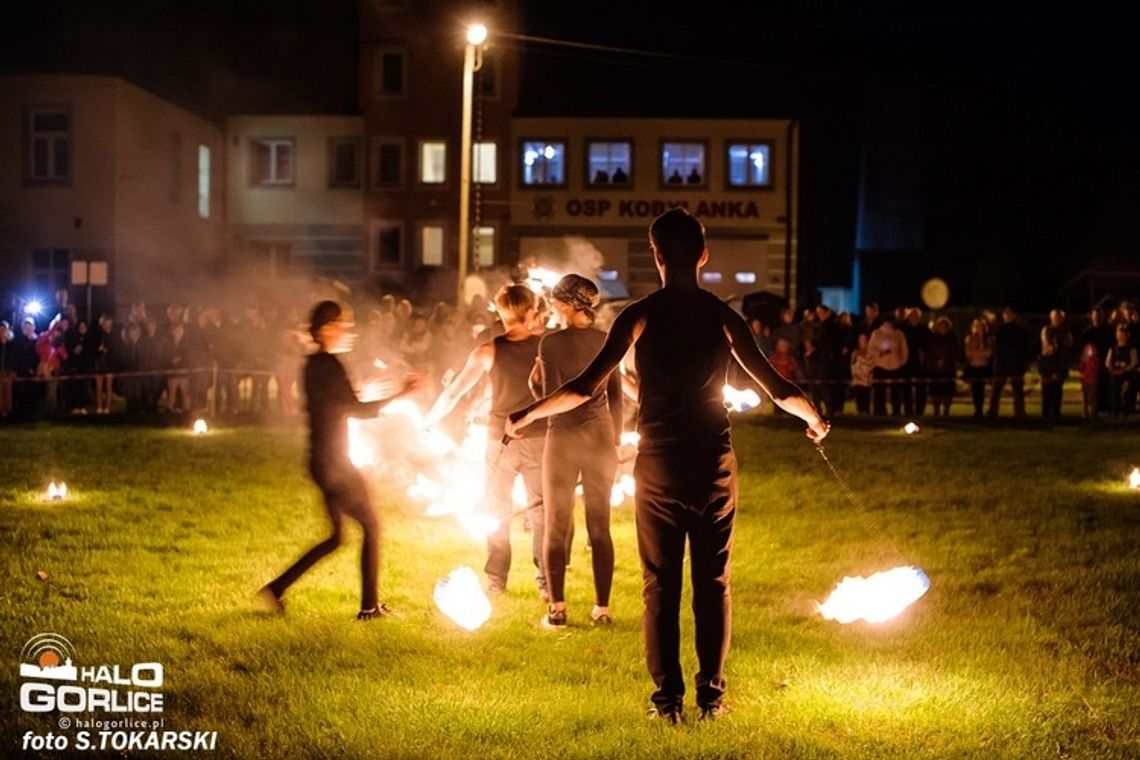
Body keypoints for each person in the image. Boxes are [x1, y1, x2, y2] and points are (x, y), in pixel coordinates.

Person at [505, 209, 828, 723]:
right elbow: (777, 386)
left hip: (657, 464)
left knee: (661, 584)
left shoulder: (639, 314)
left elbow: (586, 386)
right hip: (713, 463)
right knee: (713, 582)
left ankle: (668, 703)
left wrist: (524, 414)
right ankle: (712, 699)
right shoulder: (723, 316)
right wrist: (814, 418)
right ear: (703, 255)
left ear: (656, 255)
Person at [261, 301, 422, 620]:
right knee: (372, 526)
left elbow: (340, 403)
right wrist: (400, 395)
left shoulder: (313, 365)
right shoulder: (328, 365)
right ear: (326, 329)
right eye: (343, 324)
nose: (349, 330)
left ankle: (275, 589)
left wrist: (371, 393)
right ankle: (369, 608)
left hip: (321, 460)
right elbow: (356, 409)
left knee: (336, 537)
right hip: (334, 463)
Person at [425, 285, 548, 599]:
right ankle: (546, 581)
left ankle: (496, 580)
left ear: (501, 313)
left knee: (497, 509)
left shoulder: (488, 351)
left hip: (498, 441)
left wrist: (431, 418)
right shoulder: (545, 347)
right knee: (540, 511)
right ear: (532, 311)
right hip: (537, 436)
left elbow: (455, 390)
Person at [530, 274, 623, 630]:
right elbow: (615, 393)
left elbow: (553, 399)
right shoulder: (607, 340)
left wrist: (533, 385)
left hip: (563, 438)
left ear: (569, 304)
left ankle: (557, 607)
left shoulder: (551, 344)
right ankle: (602, 608)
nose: (553, 305)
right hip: (601, 439)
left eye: (556, 300)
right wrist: (615, 439)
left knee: (556, 525)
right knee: (600, 527)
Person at [988, 307, 1030, 418]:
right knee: (996, 389)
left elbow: (1024, 347)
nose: (1007, 316)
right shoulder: (999, 329)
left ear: (1014, 316)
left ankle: (1020, 412)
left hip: (1015, 362)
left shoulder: (1019, 331)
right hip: (1002, 362)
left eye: (1009, 314)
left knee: (1017, 390)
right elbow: (994, 344)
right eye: (1005, 314)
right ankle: (992, 412)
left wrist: (1023, 363)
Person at [1105, 325, 1138, 418]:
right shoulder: (1113, 348)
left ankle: (1126, 411)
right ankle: (1115, 411)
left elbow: (1134, 362)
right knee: (1115, 393)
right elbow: (1108, 362)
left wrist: (1125, 370)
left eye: (1123, 334)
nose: (1121, 336)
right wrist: (1112, 369)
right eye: (1119, 334)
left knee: (1126, 393)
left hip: (1126, 375)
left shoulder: (1131, 348)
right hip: (1115, 375)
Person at [963, 317, 993, 419]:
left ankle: (980, 409)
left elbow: (989, 353)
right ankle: (977, 410)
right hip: (974, 367)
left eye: (981, 326)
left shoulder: (988, 339)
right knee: (975, 389)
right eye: (977, 326)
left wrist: (978, 353)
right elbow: (968, 353)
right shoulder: (970, 338)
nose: (979, 328)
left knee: (982, 389)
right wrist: (980, 353)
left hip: (983, 367)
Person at [1078, 341, 1100, 419]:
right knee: (1085, 398)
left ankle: (1093, 412)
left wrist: (1091, 361)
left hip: (1092, 380)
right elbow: (1080, 369)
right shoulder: (1083, 360)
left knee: (1093, 398)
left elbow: (1095, 369)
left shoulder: (1095, 361)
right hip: (1085, 380)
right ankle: (1085, 413)